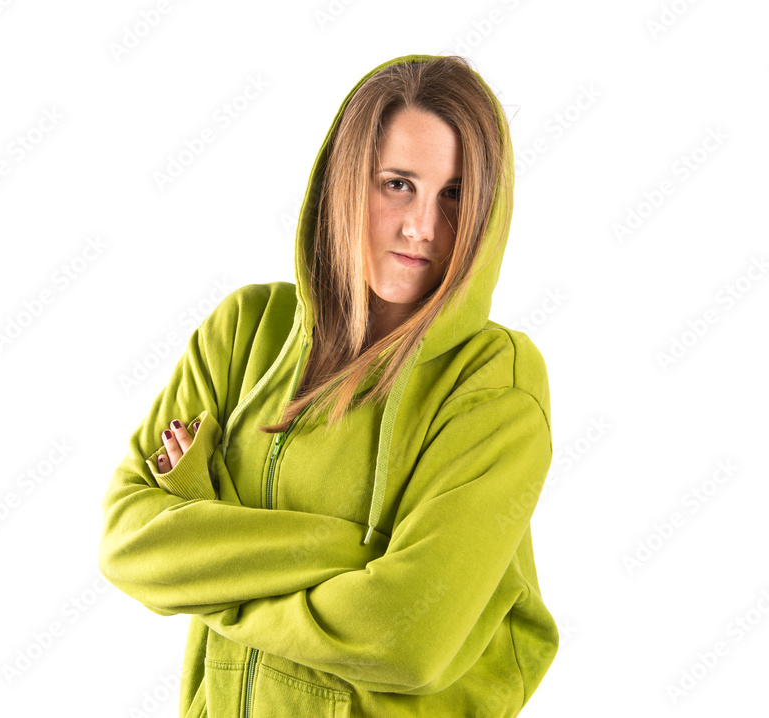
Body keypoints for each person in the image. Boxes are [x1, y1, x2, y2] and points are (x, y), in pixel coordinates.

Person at [100, 53, 558, 718]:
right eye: (398, 184)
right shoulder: (245, 333)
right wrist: (359, 554)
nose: (421, 227)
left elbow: (406, 635)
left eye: (454, 195)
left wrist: (203, 557)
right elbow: (126, 542)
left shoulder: (495, 383)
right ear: (347, 181)